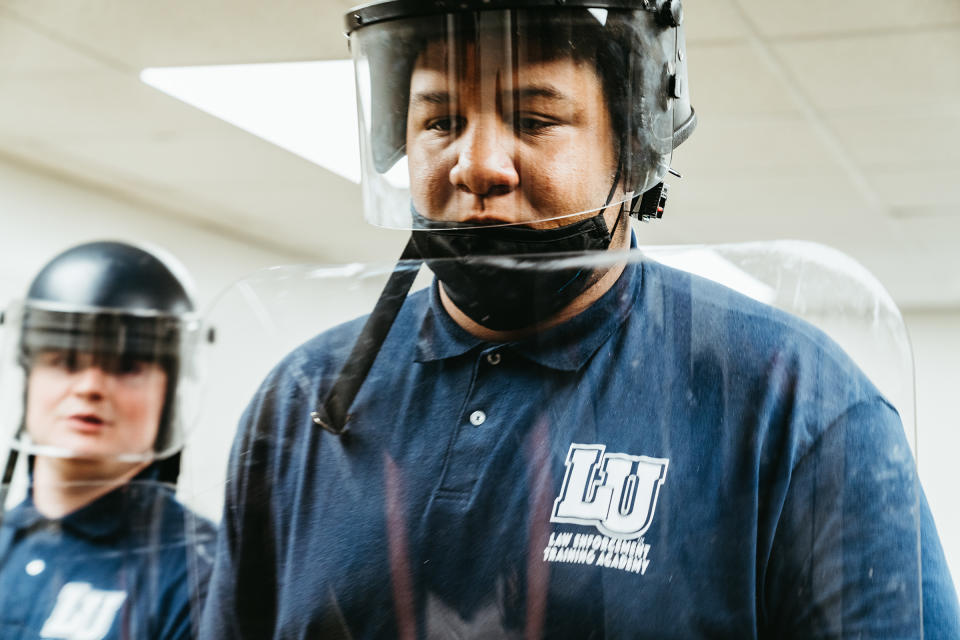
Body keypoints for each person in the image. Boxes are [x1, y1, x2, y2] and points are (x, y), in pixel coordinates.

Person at [200, 1, 960, 637]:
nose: (477, 163)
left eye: (533, 118)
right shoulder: (301, 399)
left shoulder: (792, 400)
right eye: (439, 120)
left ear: (634, 149)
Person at [0, 241, 216, 639]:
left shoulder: (206, 570)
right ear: (28, 378)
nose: (90, 387)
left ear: (169, 395)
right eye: (65, 361)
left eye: (127, 366)